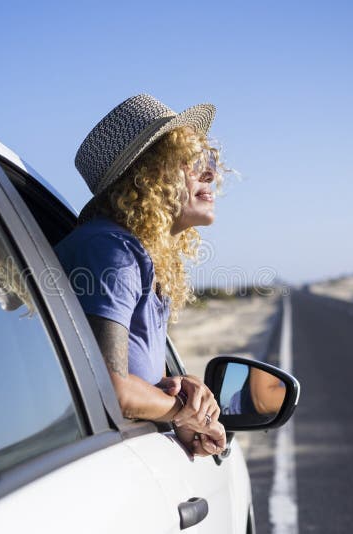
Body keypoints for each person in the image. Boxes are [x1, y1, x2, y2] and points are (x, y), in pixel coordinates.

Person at [54, 94, 228, 456]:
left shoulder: (137, 254)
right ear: (148, 176)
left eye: (209, 161)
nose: (211, 173)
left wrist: (178, 388)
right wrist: (186, 414)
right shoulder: (110, 249)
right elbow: (113, 390)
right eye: (192, 162)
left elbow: (136, 375)